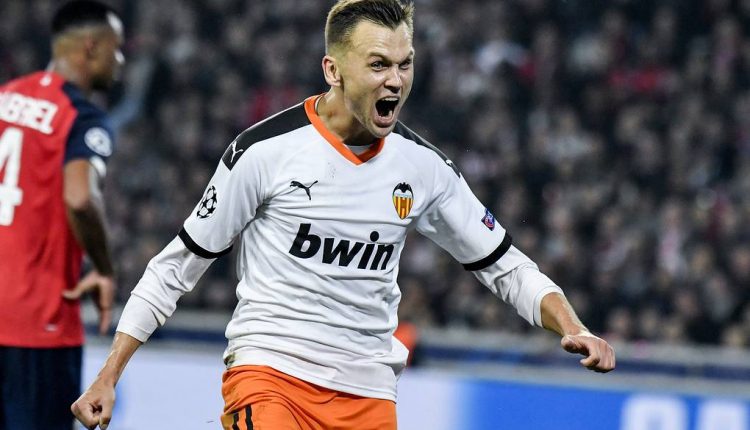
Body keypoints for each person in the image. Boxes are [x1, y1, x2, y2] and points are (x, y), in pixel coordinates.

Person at [72, 1, 615, 429]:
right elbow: (176, 266)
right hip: (271, 376)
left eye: (405, 64)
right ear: (333, 69)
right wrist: (109, 374)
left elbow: (505, 265)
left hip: (368, 394)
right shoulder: (264, 152)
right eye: (378, 65)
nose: (395, 80)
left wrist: (573, 326)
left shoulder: (424, 168)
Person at [0, 1, 124, 429]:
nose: (120, 60)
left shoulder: (5, 96)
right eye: (115, 48)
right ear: (91, 47)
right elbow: (80, 198)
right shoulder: (81, 117)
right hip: (38, 325)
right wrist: (104, 268)